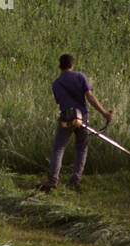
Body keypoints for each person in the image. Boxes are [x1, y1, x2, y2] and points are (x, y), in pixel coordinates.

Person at [39, 53, 113, 192]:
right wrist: (104, 113)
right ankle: (75, 180)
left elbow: (59, 101)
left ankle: (53, 179)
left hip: (66, 118)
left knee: (58, 148)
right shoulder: (80, 76)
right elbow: (90, 97)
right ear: (72, 65)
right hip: (82, 117)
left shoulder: (56, 83)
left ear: (59, 66)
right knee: (81, 148)